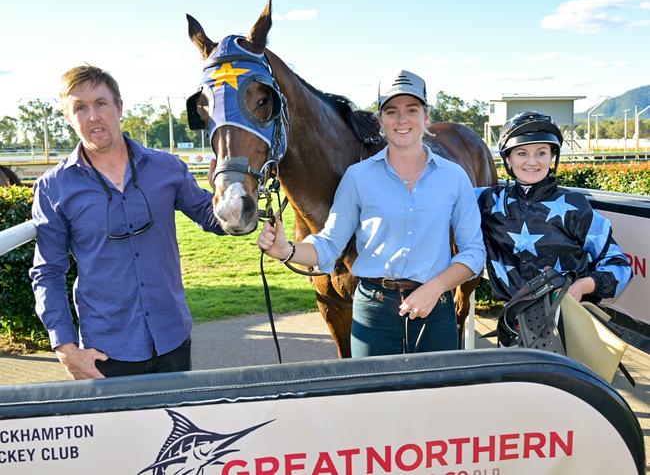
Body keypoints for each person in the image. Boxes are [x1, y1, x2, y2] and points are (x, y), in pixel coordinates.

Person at [257, 70, 485, 357]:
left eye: (411, 110)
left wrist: (436, 287)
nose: (401, 119)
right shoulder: (358, 177)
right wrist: (285, 249)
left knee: (434, 399)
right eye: (391, 111)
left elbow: (473, 252)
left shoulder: (454, 177)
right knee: (372, 399)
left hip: (435, 307)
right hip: (374, 312)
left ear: (426, 118)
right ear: (380, 121)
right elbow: (329, 244)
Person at [30, 65, 224, 379]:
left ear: (119, 107)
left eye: (101, 103)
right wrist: (65, 349)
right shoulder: (53, 187)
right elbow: (48, 271)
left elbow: (212, 218)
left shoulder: (167, 167)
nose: (93, 116)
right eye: (80, 108)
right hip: (105, 353)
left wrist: (229, 195)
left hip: (172, 339)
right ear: (69, 118)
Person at [476, 111, 632, 343]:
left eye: (541, 152)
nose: (532, 161)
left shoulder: (576, 207)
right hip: (512, 328)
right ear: (507, 159)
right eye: (521, 153)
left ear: (552, 157)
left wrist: (581, 286)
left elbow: (621, 267)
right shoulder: (488, 201)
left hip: (569, 330)